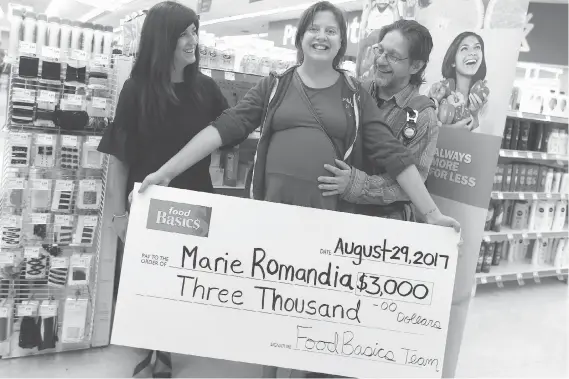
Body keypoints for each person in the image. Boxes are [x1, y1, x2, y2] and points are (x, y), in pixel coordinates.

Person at [136, 4, 460, 376]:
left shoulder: (355, 94)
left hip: (324, 226)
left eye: (332, 31)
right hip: (272, 219)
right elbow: (225, 127)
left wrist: (431, 212)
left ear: (342, 43)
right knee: (271, 317)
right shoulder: (276, 85)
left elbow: (392, 153)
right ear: (301, 36)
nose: (322, 36)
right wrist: (166, 171)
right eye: (314, 29)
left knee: (307, 325)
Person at [97, 2, 229, 377]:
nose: (193, 41)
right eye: (183, 34)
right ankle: (154, 346)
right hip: (147, 203)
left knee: (183, 279)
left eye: (194, 32)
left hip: (195, 202)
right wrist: (118, 216)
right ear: (162, 39)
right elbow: (120, 157)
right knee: (148, 280)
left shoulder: (206, 89)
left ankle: (166, 348)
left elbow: (229, 133)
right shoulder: (135, 90)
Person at [317, 19, 439, 222]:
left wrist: (356, 184)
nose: (381, 60)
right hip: (334, 209)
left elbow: (410, 186)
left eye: (393, 56)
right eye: (380, 50)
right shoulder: (354, 91)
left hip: (383, 224)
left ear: (416, 66)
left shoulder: (422, 116)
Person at [429, 31, 489, 131]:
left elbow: (482, 141)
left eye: (477, 47)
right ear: (453, 61)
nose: (473, 52)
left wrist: (474, 115)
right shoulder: (437, 91)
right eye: (465, 48)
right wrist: (448, 130)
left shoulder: (484, 101)